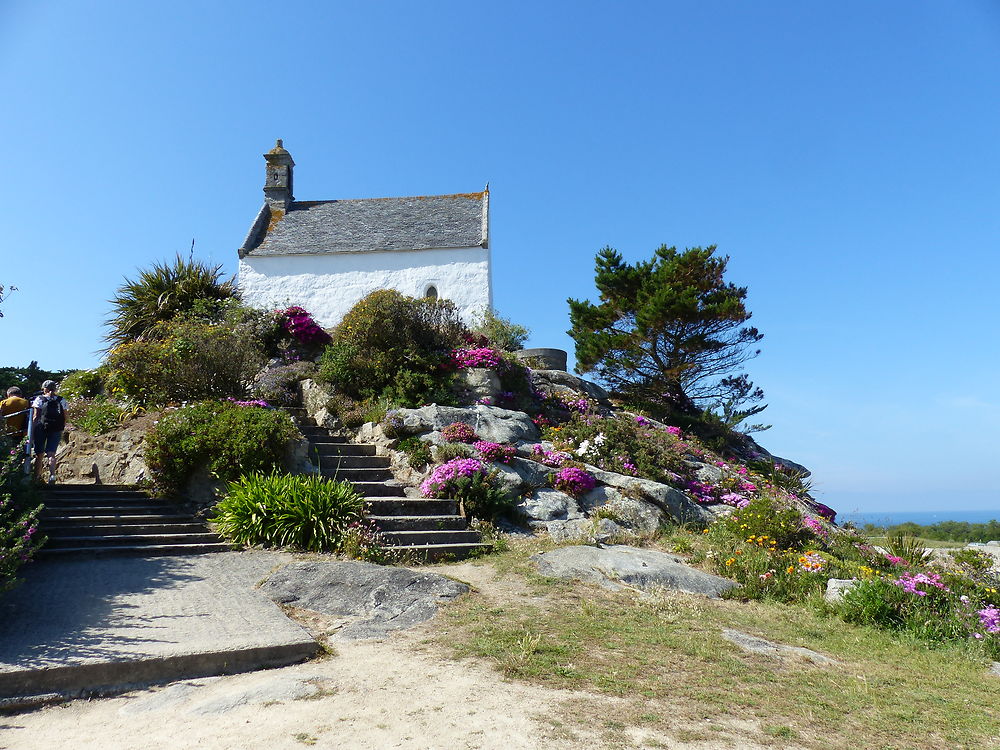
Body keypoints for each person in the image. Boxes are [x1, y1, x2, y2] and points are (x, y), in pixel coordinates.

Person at [32, 380, 69, 484]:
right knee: (51, 454)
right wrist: (62, 426)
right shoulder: (62, 400)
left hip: (41, 427)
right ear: (55, 388)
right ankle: (52, 476)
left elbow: (35, 416)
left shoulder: (40, 399)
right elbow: (66, 416)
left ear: (45, 389)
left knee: (39, 454)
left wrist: (32, 430)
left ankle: (36, 477)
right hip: (56, 428)